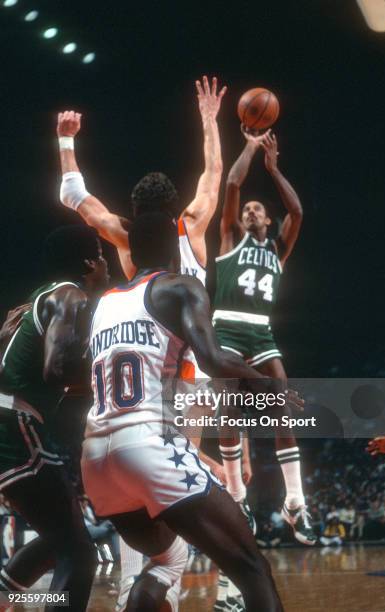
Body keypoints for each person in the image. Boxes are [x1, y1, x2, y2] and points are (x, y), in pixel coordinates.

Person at [56, 76, 227, 611]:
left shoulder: (128, 237)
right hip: (189, 374)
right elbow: (214, 173)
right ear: (174, 205)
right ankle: (185, 585)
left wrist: (66, 140)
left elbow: (75, 198)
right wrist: (208, 119)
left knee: (144, 495)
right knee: (184, 481)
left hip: (134, 371)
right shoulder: (194, 224)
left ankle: (149, 584)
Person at [81, 211, 286, 612]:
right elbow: (213, 359)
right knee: (251, 568)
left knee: (167, 560)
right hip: (147, 445)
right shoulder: (180, 286)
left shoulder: (103, 304)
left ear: (133, 252)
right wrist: (270, 388)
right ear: (176, 248)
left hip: (96, 463)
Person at [212, 127, 316, 545]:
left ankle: (295, 504)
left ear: (268, 221)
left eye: (258, 210)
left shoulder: (277, 249)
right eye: (248, 210)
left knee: (284, 407)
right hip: (227, 327)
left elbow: (298, 212)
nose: (251, 212)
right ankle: (237, 496)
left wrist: (274, 169)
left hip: (261, 333)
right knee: (230, 412)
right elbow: (233, 182)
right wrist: (251, 148)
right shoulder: (230, 237)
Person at [0, 225, 109, 611]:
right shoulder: (71, 295)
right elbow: (55, 368)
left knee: (59, 540)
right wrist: (102, 378)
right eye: (100, 253)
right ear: (87, 262)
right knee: (79, 555)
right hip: (15, 424)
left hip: (13, 419)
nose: (105, 263)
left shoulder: (36, 300)